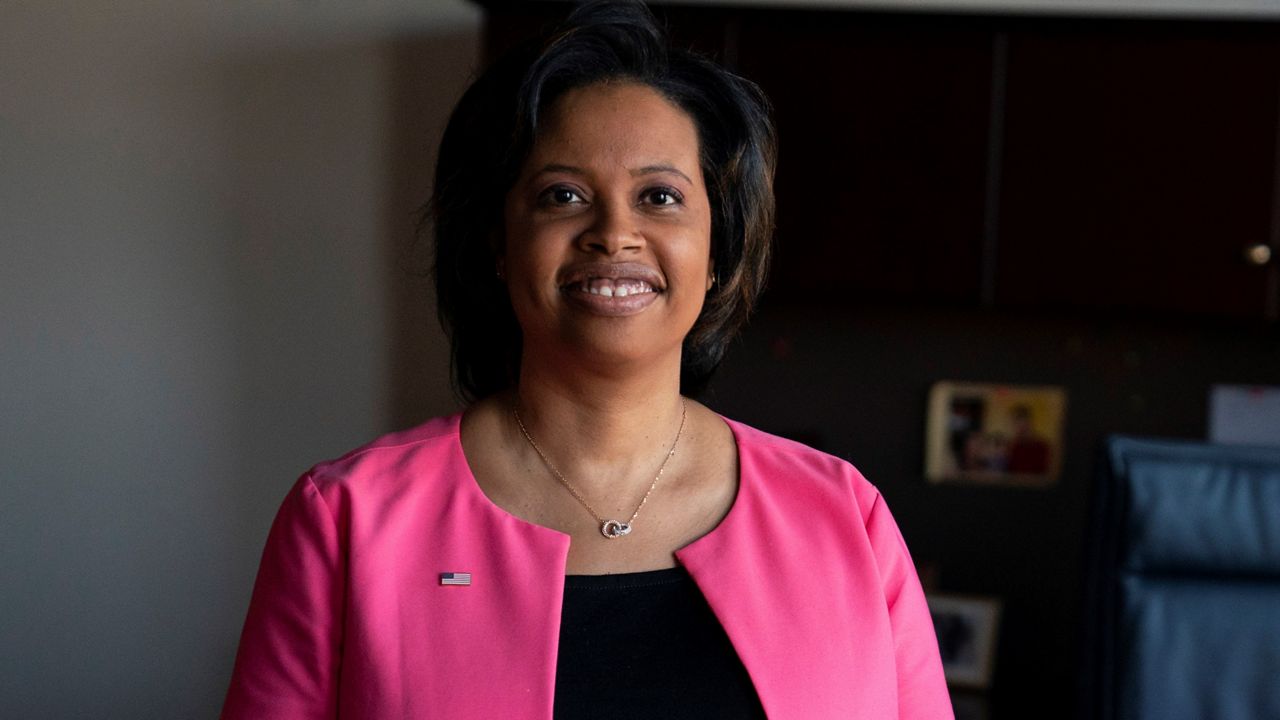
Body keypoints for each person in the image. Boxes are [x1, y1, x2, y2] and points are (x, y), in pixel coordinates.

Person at [220, 2, 952, 718]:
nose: (614, 234)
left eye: (660, 197)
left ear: (720, 252)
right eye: (563, 194)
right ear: (498, 247)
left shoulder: (844, 517)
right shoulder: (347, 520)